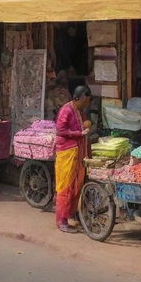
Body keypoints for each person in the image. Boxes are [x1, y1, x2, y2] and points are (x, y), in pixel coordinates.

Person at [55, 85, 92, 233]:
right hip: (67, 153)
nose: (86, 104)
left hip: (77, 153)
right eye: (85, 100)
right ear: (77, 98)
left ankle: (70, 215)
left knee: (76, 186)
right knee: (65, 187)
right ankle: (62, 221)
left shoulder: (79, 111)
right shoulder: (66, 109)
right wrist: (79, 133)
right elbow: (61, 130)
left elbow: (83, 126)